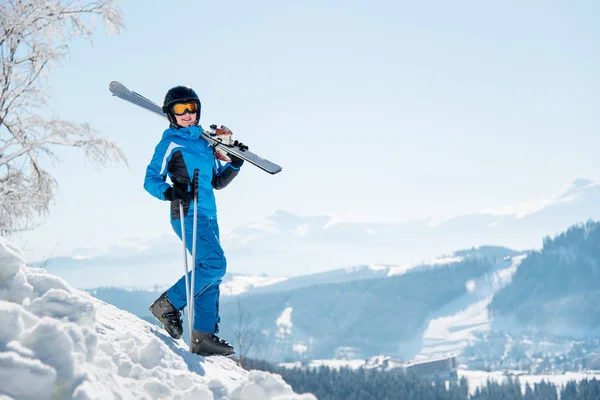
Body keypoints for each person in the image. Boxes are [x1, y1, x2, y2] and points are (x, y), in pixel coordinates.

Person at [144, 85, 243, 356]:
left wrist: (234, 163)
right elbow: (150, 179)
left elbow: (217, 181)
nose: (187, 113)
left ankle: (202, 336)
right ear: (170, 114)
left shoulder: (204, 143)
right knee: (214, 264)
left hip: (209, 216)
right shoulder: (170, 143)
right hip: (186, 213)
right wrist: (168, 191)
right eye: (180, 109)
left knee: (210, 273)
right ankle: (167, 305)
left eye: (192, 108)